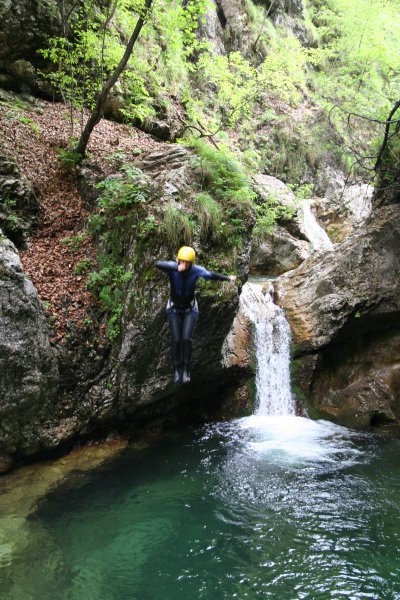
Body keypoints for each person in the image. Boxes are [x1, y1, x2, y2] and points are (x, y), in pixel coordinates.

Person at [156, 246, 237, 384]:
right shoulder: (172, 267)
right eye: (182, 261)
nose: (184, 264)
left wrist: (227, 278)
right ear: (178, 259)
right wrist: (177, 268)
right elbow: (157, 264)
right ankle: (176, 370)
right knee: (176, 340)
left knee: (186, 339)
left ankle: (186, 370)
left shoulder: (196, 270)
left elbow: (211, 275)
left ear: (192, 263)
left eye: (187, 262)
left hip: (190, 309)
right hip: (174, 308)